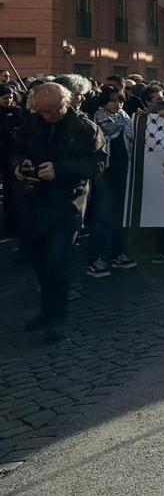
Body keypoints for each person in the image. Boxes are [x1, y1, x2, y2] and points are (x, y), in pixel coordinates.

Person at [11, 83, 107, 342]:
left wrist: (60, 170)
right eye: (43, 111)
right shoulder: (32, 123)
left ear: (68, 103)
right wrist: (20, 166)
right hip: (33, 203)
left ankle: (57, 318)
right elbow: (14, 150)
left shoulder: (86, 129)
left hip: (67, 205)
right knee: (38, 260)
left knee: (57, 262)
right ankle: (46, 310)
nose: (49, 116)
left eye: (54, 110)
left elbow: (98, 163)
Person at [87, 86, 138, 276]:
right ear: (104, 102)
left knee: (119, 216)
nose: (118, 104)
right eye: (113, 100)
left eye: (121, 100)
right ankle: (96, 258)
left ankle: (119, 253)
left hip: (123, 173)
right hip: (103, 176)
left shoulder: (126, 119)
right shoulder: (96, 121)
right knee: (101, 217)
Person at [0, 84, 27, 238]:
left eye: (10, 97)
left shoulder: (17, 111)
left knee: (12, 191)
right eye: (4, 98)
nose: (8, 100)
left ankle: (12, 223)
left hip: (11, 155)